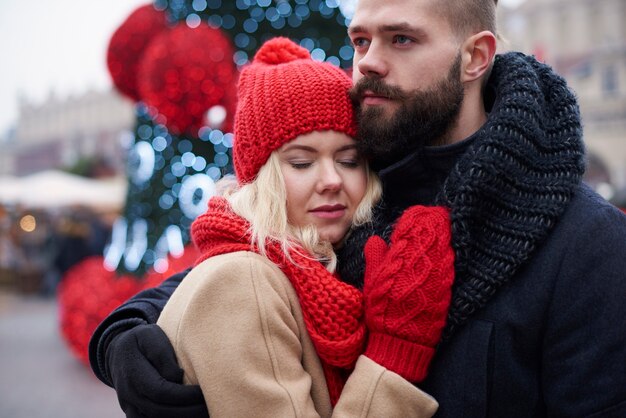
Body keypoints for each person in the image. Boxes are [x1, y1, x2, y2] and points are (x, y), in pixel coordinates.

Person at [90, 0, 626, 416]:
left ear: (475, 57)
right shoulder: (354, 181)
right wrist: (125, 335)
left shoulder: (586, 245)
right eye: (361, 40)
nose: (368, 62)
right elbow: (250, 255)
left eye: (400, 39)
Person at [106, 36, 456, 417]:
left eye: (349, 160)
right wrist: (393, 357)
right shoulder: (245, 281)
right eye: (302, 163)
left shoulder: (314, 264)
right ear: (261, 179)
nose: (331, 180)